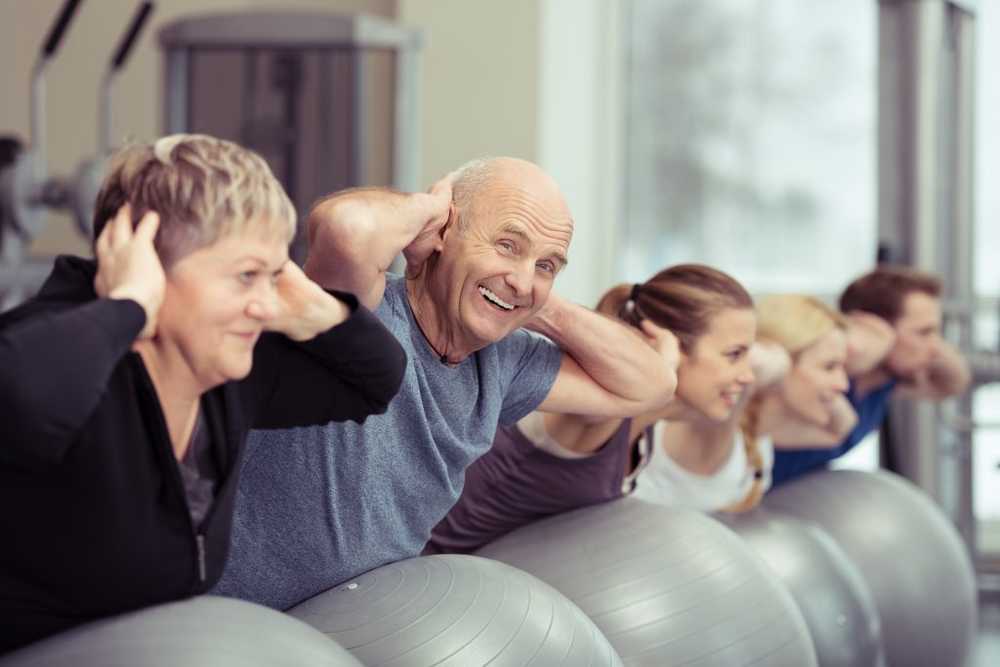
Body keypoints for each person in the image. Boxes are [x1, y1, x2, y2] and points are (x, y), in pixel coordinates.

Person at [0, 134, 406, 654]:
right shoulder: (62, 357)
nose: (264, 303)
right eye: (245, 276)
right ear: (146, 264)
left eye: (274, 273)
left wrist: (313, 308)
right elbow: (15, 395)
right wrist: (128, 306)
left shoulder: (227, 370)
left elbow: (376, 380)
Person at [214, 157, 679, 610]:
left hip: (355, 630)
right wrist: (428, 210)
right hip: (234, 621)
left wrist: (538, 301)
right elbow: (347, 229)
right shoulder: (362, 314)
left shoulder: (506, 363)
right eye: (507, 245)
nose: (523, 277)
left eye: (547, 264)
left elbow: (651, 385)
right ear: (444, 233)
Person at [426, 264, 754, 554]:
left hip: (496, 585)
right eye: (734, 354)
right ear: (672, 345)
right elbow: (601, 405)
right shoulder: (598, 409)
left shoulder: (649, 422)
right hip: (427, 580)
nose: (747, 375)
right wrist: (658, 366)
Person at [636, 293, 858, 511]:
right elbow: (753, 365)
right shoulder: (712, 420)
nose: (843, 384)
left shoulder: (760, 431)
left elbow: (841, 429)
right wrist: (775, 363)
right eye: (830, 367)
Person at [770, 265, 971, 485]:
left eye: (936, 332)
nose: (935, 348)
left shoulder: (886, 383)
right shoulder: (819, 377)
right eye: (923, 332)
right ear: (871, 327)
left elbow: (953, 383)